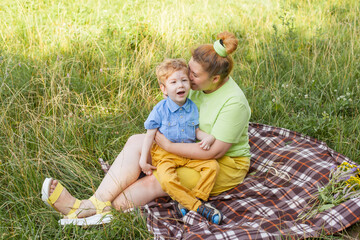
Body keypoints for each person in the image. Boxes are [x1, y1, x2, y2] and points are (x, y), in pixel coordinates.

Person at [41, 31, 251, 226]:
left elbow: (214, 152)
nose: (188, 77)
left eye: (193, 75)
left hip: (220, 163)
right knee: (136, 141)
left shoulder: (234, 103)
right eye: (189, 70)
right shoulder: (196, 85)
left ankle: (104, 213)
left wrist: (167, 146)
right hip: (187, 143)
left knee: (156, 181)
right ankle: (91, 203)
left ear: (215, 79)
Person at [139, 58, 222, 224]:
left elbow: (196, 130)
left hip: (187, 150)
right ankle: (199, 207)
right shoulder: (160, 110)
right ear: (164, 88)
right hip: (165, 154)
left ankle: (192, 198)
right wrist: (143, 159)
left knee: (213, 166)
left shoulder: (192, 107)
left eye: (184, 80)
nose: (180, 86)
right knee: (167, 180)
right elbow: (149, 135)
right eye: (173, 82)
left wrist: (209, 137)